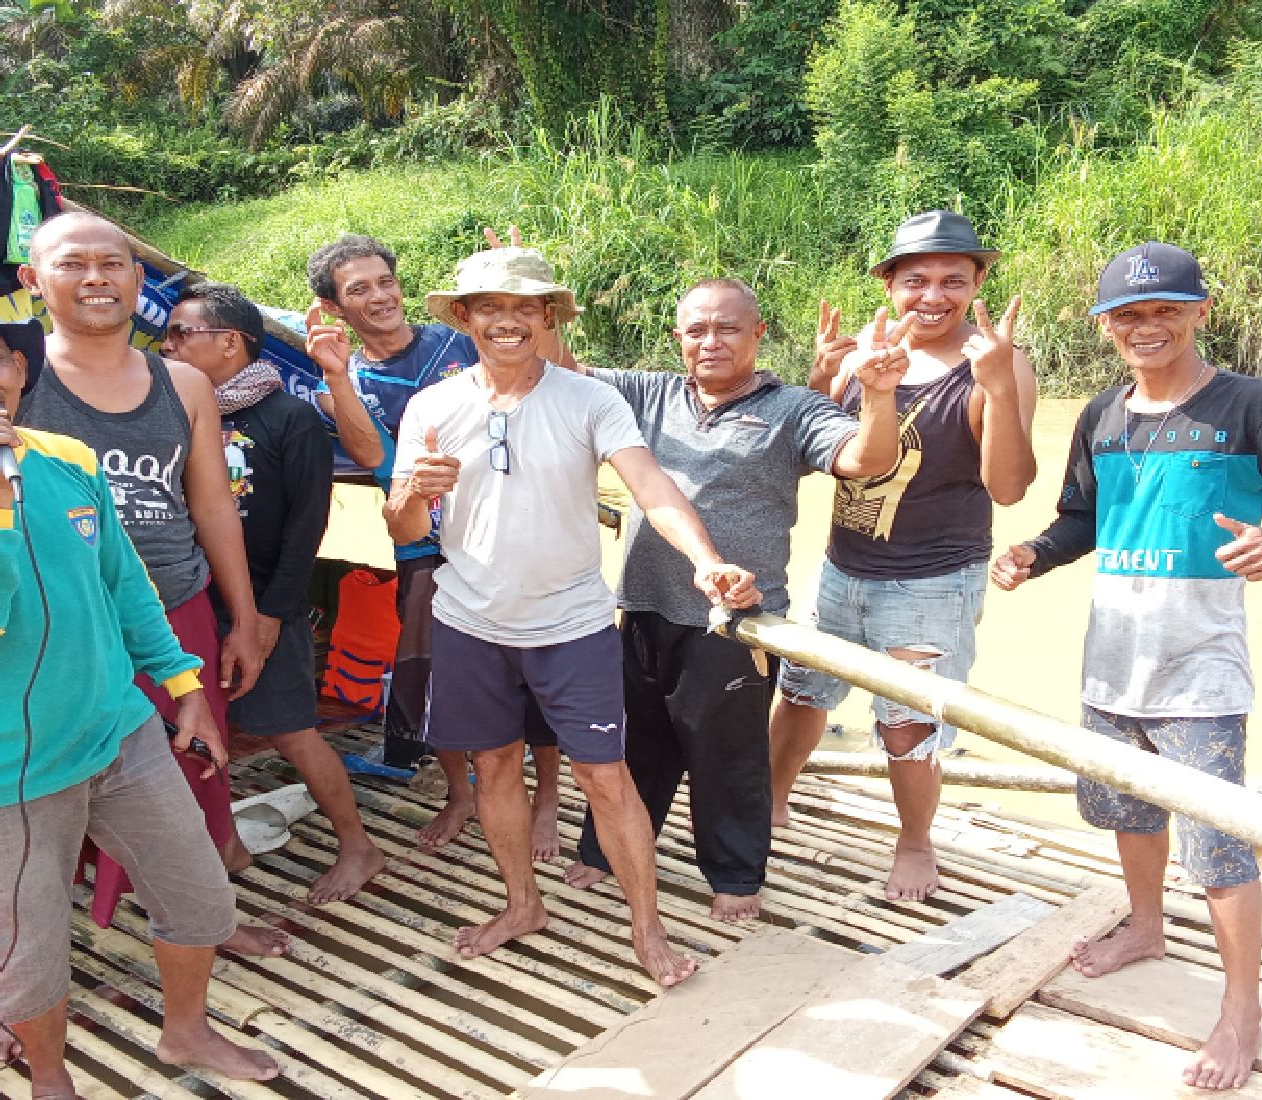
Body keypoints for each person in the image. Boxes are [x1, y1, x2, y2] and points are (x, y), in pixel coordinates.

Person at [0, 41, 283, 960]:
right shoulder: (9, 374)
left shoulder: (183, 383)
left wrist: (244, 615)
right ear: (33, 284)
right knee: (70, 783)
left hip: (172, 605)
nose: (98, 275)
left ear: (140, 279)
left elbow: (212, 508)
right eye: (74, 263)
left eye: (116, 261)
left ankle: (205, 921)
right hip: (56, 612)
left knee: (193, 768)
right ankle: (78, 937)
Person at [0, 282, 279, 1091]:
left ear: (16, 370)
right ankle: (51, 1080)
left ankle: (185, 1034)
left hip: (118, 731)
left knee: (198, 898)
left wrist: (184, 689)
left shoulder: (67, 460)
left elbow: (124, 585)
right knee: (26, 951)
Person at [991, 242, 1262, 1091]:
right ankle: (1146, 927)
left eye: (1166, 309)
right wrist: (1032, 555)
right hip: (1110, 665)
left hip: (1201, 673)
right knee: (1131, 808)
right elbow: (1081, 520)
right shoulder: (1100, 416)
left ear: (1201, 312)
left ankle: (1242, 1012)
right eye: (1128, 314)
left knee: (1220, 850)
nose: (1147, 326)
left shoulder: (1255, 408)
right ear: (1106, 327)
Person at [384, 247, 758, 986]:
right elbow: (400, 531)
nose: (508, 321)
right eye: (490, 306)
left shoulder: (590, 401)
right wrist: (412, 496)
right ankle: (523, 904)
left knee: (605, 778)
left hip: (572, 625)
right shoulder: (432, 408)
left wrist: (703, 558)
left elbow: (651, 489)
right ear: (463, 318)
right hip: (469, 621)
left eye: (527, 307)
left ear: (549, 317)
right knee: (494, 767)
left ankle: (646, 931)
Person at [563, 278, 907, 921]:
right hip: (642, 603)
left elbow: (865, 459)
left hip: (735, 621)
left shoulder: (795, 408)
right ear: (678, 339)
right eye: (696, 330)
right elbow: (558, 369)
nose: (711, 342)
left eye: (727, 329)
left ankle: (736, 876)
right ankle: (606, 851)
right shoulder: (647, 393)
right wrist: (533, 297)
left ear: (758, 334)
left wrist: (879, 397)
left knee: (728, 757)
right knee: (636, 743)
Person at [767, 209, 1039, 901]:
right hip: (841, 566)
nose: (934, 296)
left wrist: (1001, 387)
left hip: (934, 581)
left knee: (909, 728)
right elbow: (812, 449)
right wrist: (826, 374)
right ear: (888, 283)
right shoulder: (866, 353)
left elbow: (1008, 488)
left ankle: (915, 841)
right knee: (801, 693)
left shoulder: (994, 364)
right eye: (916, 279)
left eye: (955, 280)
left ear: (979, 282)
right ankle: (770, 801)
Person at [307, 230, 567, 860]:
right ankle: (459, 791)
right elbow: (374, 459)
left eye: (385, 280)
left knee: (542, 664)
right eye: (358, 289)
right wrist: (338, 376)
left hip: (518, 527)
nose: (380, 296)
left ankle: (550, 801)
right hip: (425, 541)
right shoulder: (342, 384)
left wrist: (518, 289)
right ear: (337, 309)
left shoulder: (460, 339)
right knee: (436, 671)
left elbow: (551, 375)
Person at [161, 282, 388, 904]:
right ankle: (226, 843)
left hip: (263, 606)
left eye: (182, 333)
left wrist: (268, 615)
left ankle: (358, 847)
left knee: (290, 730)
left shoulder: (289, 419)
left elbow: (306, 525)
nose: (167, 343)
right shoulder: (170, 414)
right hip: (191, 601)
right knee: (201, 728)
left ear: (230, 343)